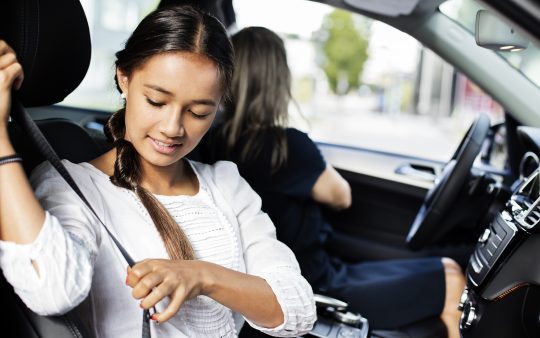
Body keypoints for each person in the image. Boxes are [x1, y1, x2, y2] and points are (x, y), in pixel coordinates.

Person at [0, 7, 316, 338]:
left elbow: (296, 311)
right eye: (156, 101)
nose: (172, 128)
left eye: (198, 112)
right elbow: (51, 290)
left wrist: (202, 276)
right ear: (124, 77)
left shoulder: (226, 185)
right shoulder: (71, 187)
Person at [200, 26, 466, 338]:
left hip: (294, 278)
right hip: (316, 285)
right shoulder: (287, 146)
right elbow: (341, 196)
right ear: (278, 82)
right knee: (452, 281)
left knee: (448, 266)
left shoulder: (209, 144)